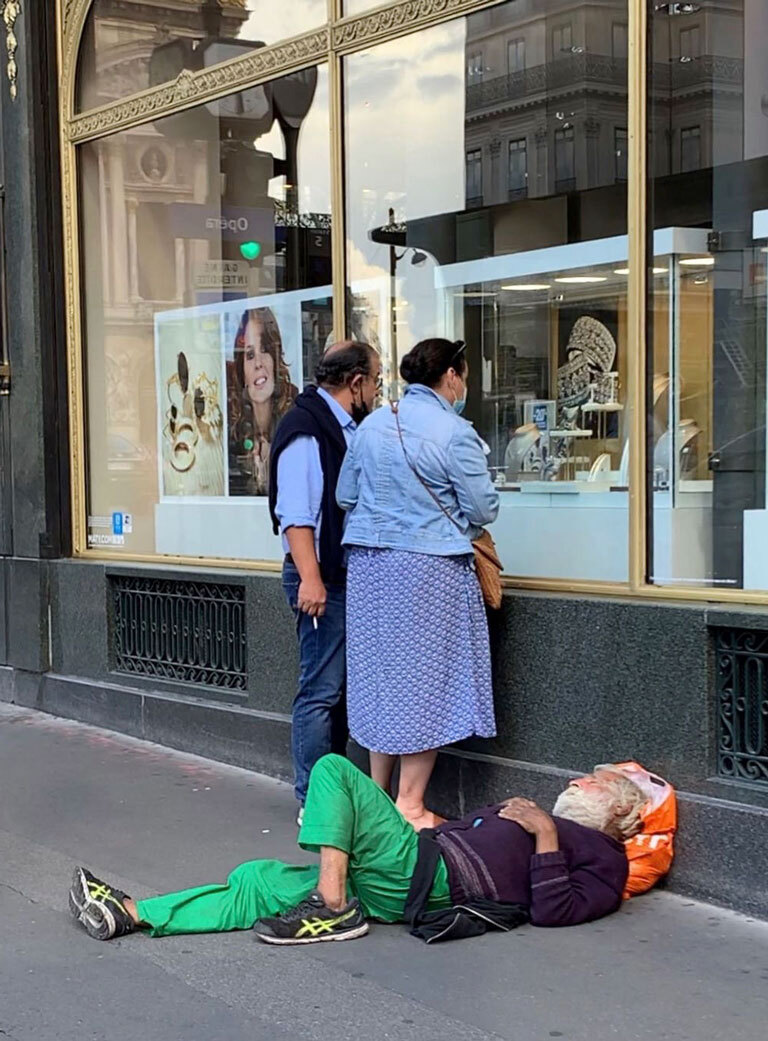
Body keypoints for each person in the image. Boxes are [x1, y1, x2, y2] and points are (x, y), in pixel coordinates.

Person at [67, 754, 648, 945]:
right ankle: (131, 913)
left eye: (593, 783)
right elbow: (467, 840)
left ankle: (332, 904)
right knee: (257, 878)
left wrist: (545, 834)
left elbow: (555, 910)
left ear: (619, 812)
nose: (577, 781)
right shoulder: (546, 820)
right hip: (416, 864)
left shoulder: (606, 857)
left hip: (428, 876)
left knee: (334, 771)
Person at [336, 338, 499, 831]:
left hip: (368, 568)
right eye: (463, 377)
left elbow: (345, 495)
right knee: (424, 684)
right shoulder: (454, 432)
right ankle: (410, 805)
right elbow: (483, 507)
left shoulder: (371, 426)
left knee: (379, 679)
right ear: (450, 376)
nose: (463, 387)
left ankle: (377, 797)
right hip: (427, 570)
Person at [268, 341, 381, 825]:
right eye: (375, 380)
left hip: (338, 577)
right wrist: (311, 580)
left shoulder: (341, 427)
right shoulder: (306, 429)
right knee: (320, 690)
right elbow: (295, 515)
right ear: (356, 383)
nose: (377, 391)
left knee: (337, 694)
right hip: (319, 578)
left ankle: (333, 793)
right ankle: (313, 800)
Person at [228, 307, 298, 496]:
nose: (258, 363)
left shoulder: (295, 419)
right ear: (242, 370)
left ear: (275, 359)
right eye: (250, 355)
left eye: (265, 350)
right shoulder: (231, 434)